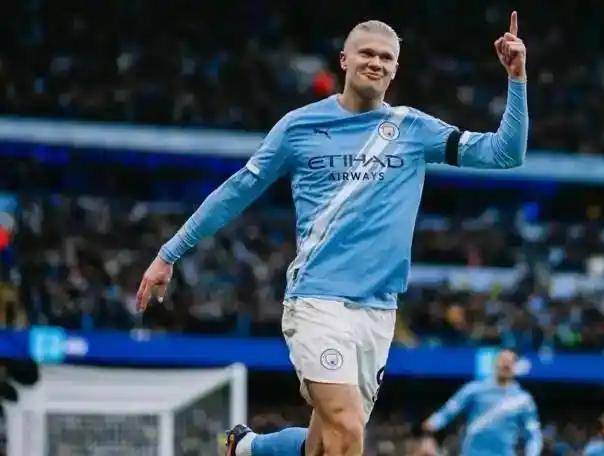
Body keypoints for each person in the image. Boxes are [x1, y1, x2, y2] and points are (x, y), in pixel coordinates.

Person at [136, 11, 528, 456]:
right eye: (366, 53)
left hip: (379, 310)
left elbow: (505, 154)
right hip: (318, 300)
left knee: (325, 445)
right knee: (347, 430)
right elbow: (238, 190)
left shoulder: (415, 129)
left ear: (396, 69)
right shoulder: (299, 127)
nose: (375, 63)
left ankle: (247, 447)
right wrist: (170, 253)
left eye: (386, 57)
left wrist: (516, 79)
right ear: (344, 60)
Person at [421, 348, 542, 456]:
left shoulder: (523, 400)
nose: (506, 364)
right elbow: (450, 410)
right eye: (503, 360)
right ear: (495, 363)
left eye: (510, 361)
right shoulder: (474, 389)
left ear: (516, 367)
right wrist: (434, 422)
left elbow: (533, 435)